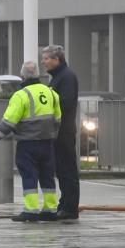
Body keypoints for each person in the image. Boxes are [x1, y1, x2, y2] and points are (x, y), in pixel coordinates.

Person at [0, 61, 62, 222]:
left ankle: (31, 211)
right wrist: (51, 135)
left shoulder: (21, 96)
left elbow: (8, 123)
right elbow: (58, 119)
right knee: (47, 177)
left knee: (29, 176)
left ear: (22, 76)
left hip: (28, 144)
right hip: (47, 143)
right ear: (39, 75)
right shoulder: (52, 93)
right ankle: (50, 209)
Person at [42, 44, 80, 220]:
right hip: (57, 131)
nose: (44, 62)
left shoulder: (66, 77)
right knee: (62, 170)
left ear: (57, 59)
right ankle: (65, 204)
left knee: (67, 170)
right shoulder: (58, 77)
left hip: (64, 131)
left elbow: (66, 103)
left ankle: (70, 208)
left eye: (47, 58)